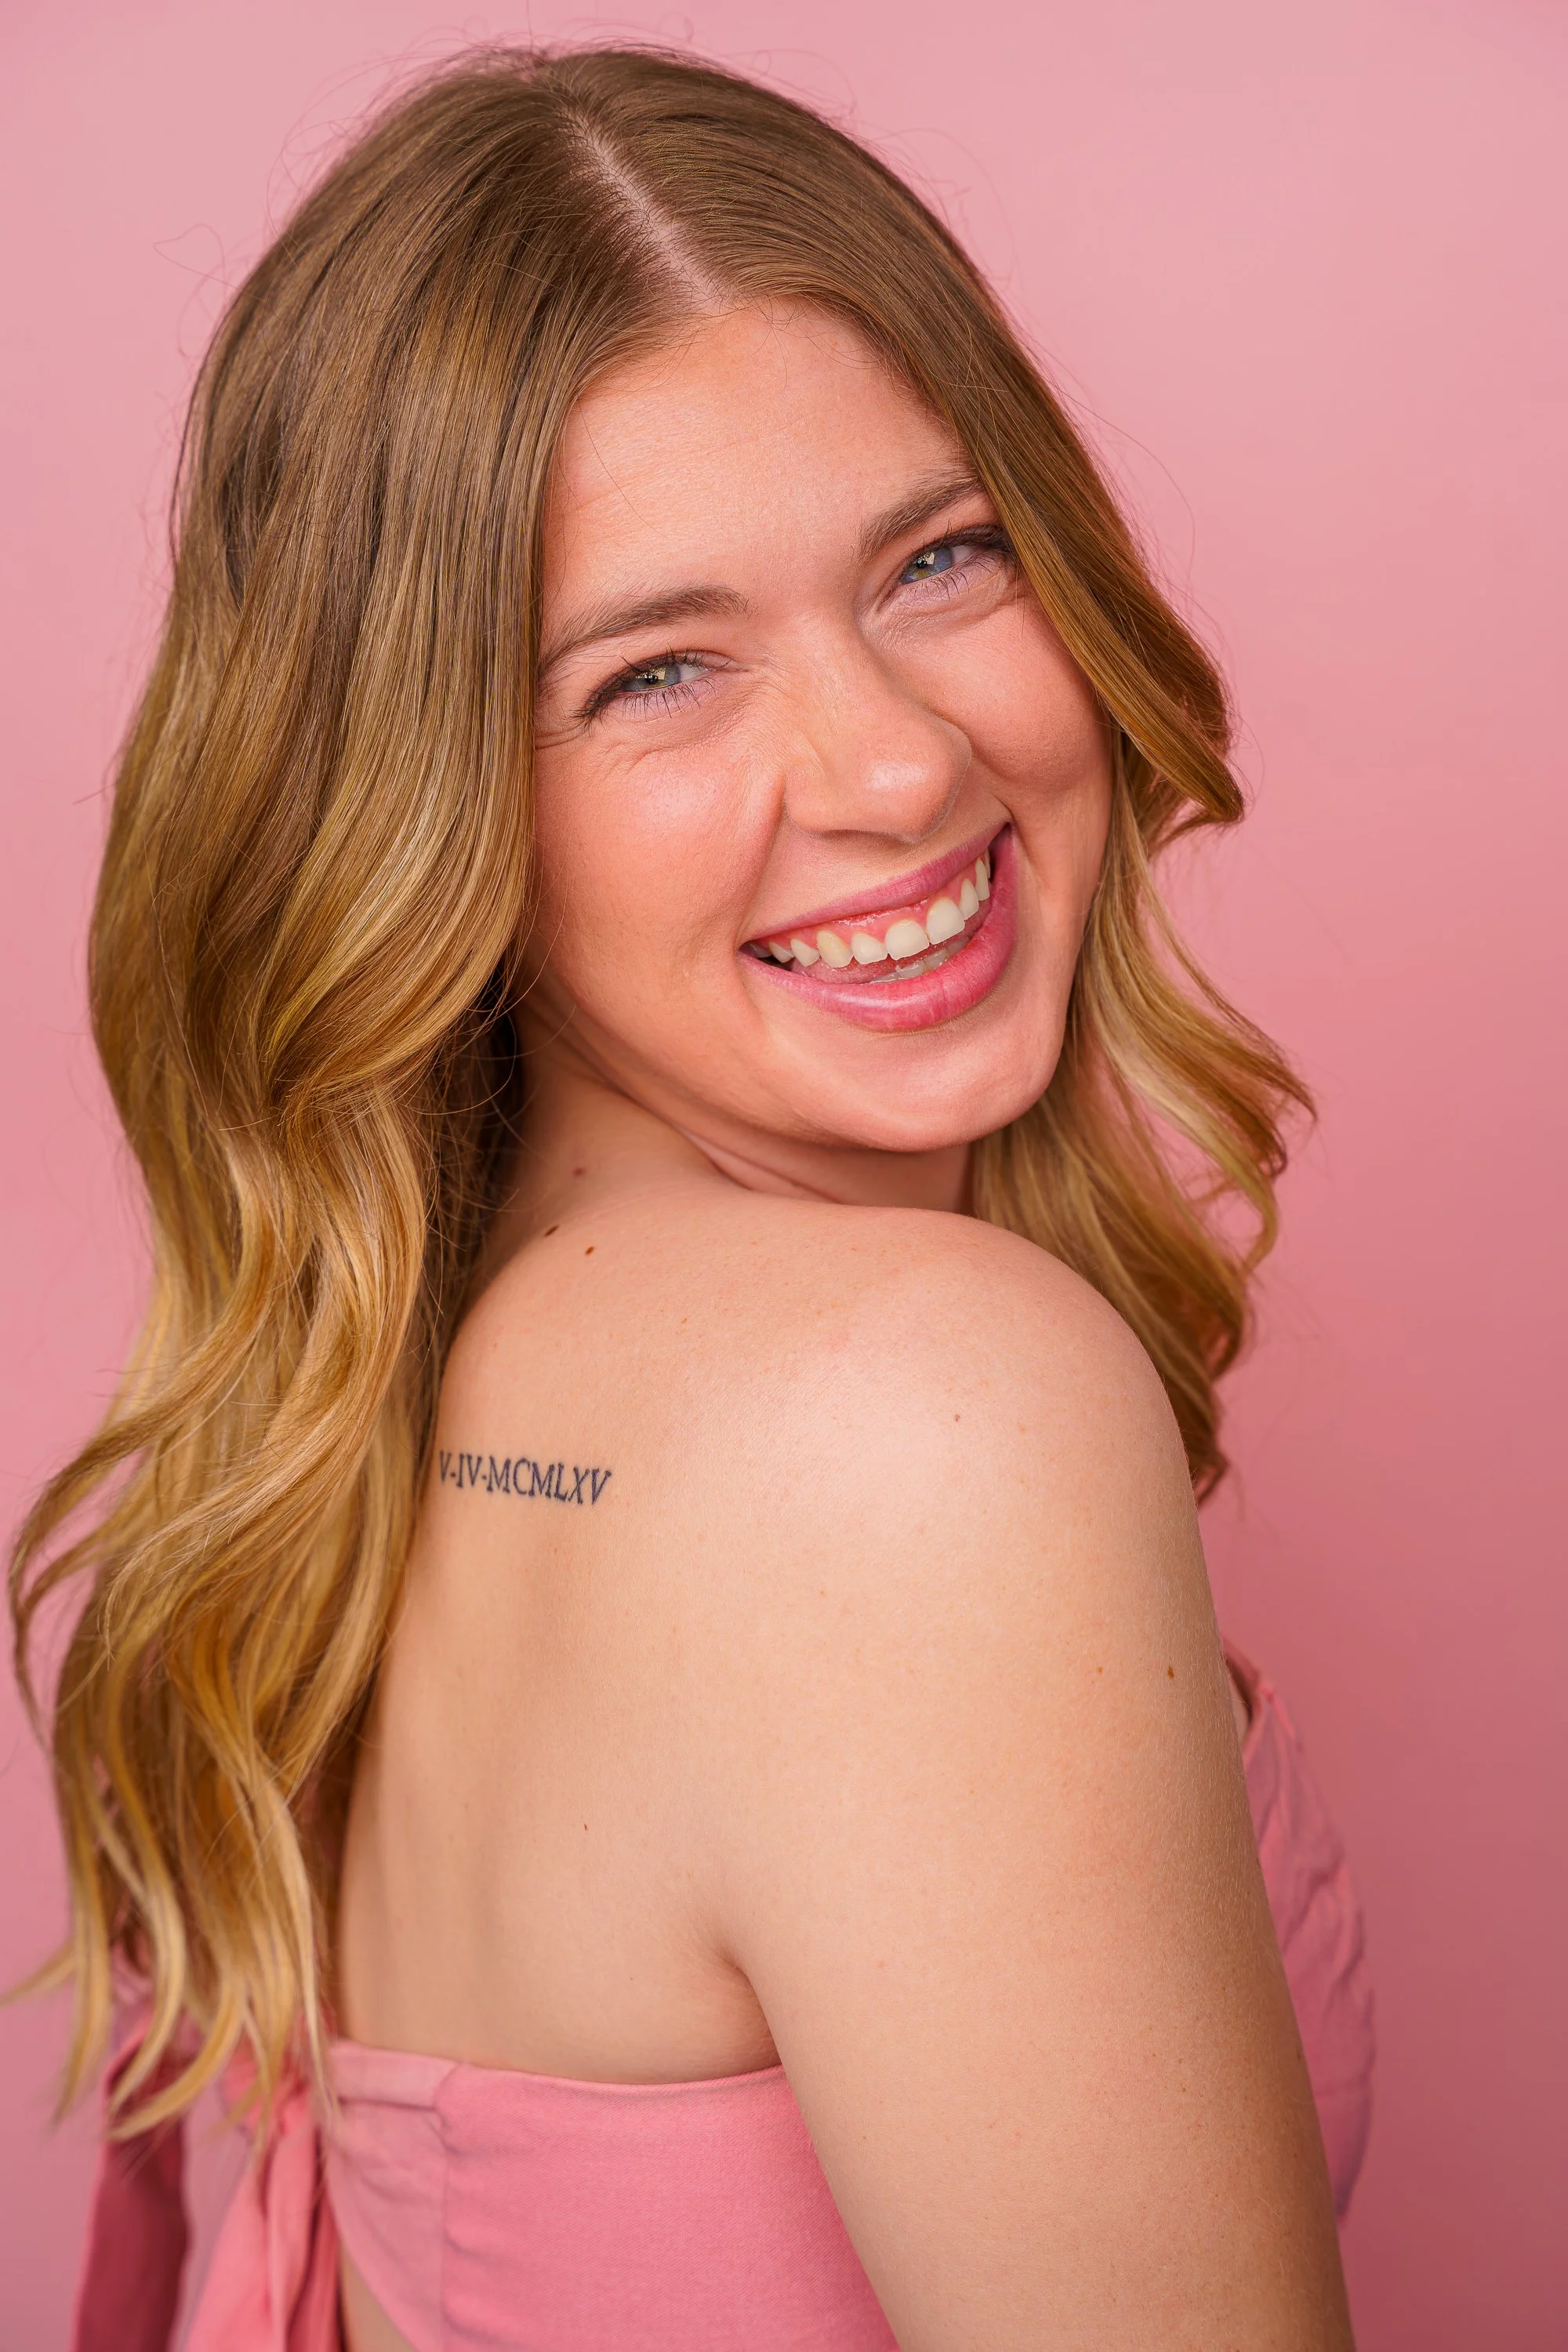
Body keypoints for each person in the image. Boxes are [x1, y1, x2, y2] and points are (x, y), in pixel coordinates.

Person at [11, 45, 1374, 2352]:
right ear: (430, 811)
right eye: (658, 672)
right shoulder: (915, 1415)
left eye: (940, 558)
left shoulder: (394, 1409)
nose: (896, 763)